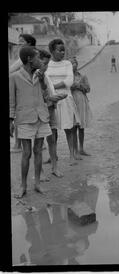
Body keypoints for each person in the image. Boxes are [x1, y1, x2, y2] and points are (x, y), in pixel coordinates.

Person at [10, 46, 52, 198]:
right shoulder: (14, 77)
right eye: (38, 58)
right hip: (25, 119)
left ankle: (38, 184)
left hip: (41, 117)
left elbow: (46, 96)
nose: (41, 61)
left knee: (38, 150)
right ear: (29, 59)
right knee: (26, 153)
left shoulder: (40, 75)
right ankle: (23, 186)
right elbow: (11, 102)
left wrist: (42, 81)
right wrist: (11, 120)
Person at [46, 39, 81, 166]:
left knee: (69, 128)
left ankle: (71, 155)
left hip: (66, 99)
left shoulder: (67, 64)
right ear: (52, 51)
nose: (62, 52)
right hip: (52, 100)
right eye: (59, 50)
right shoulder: (47, 65)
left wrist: (52, 86)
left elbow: (69, 81)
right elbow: (45, 81)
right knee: (52, 130)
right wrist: (54, 88)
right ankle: (53, 155)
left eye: (63, 50)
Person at [37, 49, 67, 178]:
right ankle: (41, 172)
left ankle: (55, 168)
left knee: (53, 139)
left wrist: (55, 97)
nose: (46, 66)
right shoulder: (35, 76)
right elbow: (37, 96)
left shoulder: (46, 75)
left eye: (47, 64)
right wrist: (51, 98)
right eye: (44, 63)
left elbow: (49, 91)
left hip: (50, 109)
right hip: (41, 112)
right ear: (38, 61)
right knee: (39, 142)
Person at [9, 34, 37, 153]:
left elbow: (11, 71)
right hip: (20, 88)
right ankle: (19, 143)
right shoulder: (24, 57)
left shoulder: (28, 57)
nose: (19, 43)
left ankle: (17, 145)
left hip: (24, 89)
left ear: (29, 43)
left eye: (22, 41)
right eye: (19, 41)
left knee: (19, 116)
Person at [70, 57, 92, 156]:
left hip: (82, 102)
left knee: (81, 127)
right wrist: (71, 86)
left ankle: (81, 148)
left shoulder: (82, 76)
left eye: (74, 63)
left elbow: (88, 89)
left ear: (77, 64)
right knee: (73, 127)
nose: (73, 65)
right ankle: (75, 150)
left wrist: (79, 86)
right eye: (71, 63)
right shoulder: (67, 77)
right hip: (71, 102)